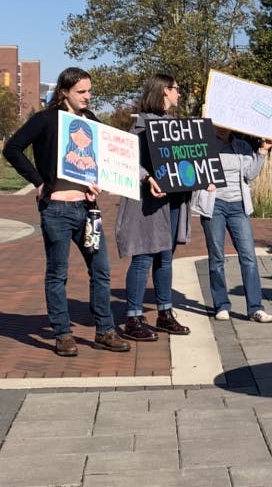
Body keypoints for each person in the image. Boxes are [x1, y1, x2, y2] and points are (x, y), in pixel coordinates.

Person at [2, 67, 130, 357]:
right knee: (58, 274)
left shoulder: (92, 122)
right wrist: (38, 182)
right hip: (57, 209)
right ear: (64, 92)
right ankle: (63, 334)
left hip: (88, 210)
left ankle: (104, 331)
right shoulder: (46, 120)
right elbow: (12, 149)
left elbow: (104, 160)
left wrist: (99, 183)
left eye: (89, 91)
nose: (87, 97)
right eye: (81, 92)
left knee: (101, 271)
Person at [114, 73, 191, 342]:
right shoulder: (140, 126)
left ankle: (164, 313)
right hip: (147, 201)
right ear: (163, 92)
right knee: (144, 256)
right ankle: (133, 317)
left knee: (165, 257)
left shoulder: (174, 125)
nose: (179, 94)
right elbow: (127, 161)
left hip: (171, 200)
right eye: (176, 89)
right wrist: (147, 178)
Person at [196, 128, 272, 323]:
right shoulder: (204, 145)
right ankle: (221, 305)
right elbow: (193, 170)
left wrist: (263, 151)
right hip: (214, 205)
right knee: (217, 257)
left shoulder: (242, 146)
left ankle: (255, 307)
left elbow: (251, 174)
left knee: (248, 256)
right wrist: (202, 180)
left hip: (238, 206)